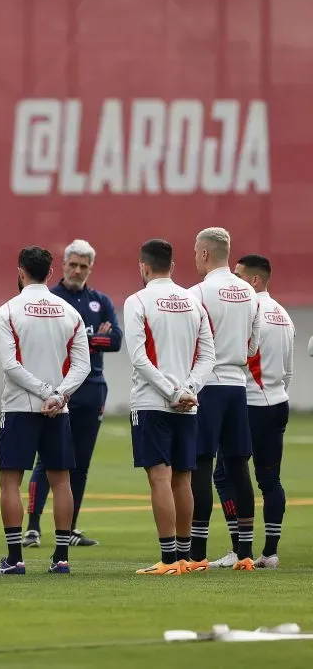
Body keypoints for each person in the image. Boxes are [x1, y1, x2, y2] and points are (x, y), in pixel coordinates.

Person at [0, 246, 89, 575]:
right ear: (50, 273)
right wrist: (58, 395)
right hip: (56, 410)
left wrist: (47, 392)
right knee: (62, 482)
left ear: (21, 271)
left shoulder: (8, 311)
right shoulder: (70, 312)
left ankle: (15, 558)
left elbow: (10, 365)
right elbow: (82, 366)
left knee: (10, 481)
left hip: (20, 406)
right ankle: (61, 557)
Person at [124, 240, 214, 575]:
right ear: (172, 267)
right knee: (183, 479)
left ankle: (167, 558)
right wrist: (189, 388)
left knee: (160, 478)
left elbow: (138, 356)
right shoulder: (193, 301)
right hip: (187, 404)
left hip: (152, 401)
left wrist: (171, 391)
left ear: (143, 266)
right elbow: (208, 357)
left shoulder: (138, 301)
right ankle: (186, 556)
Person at [24, 240, 120, 549]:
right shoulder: (50, 298)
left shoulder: (100, 301)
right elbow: (53, 342)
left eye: (84, 266)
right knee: (47, 459)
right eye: (73, 264)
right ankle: (33, 527)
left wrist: (85, 341)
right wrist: (92, 338)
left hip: (91, 389)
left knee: (81, 463)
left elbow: (116, 340)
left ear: (91, 268)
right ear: (63, 266)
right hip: (56, 387)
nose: (77, 270)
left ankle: (70, 528)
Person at [206, 255, 293, 569]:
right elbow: (289, 370)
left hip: (250, 403)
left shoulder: (251, 310)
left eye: (239, 274)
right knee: (270, 480)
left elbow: (246, 355)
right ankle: (269, 552)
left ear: (255, 280)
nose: (234, 279)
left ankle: (238, 547)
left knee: (224, 474)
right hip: (278, 401)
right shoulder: (284, 314)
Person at [187, 227, 260, 572]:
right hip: (237, 386)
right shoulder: (248, 291)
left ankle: (197, 552)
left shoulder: (198, 292)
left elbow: (191, 345)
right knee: (238, 467)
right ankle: (244, 552)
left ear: (204, 254)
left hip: (208, 383)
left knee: (201, 464)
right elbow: (252, 346)